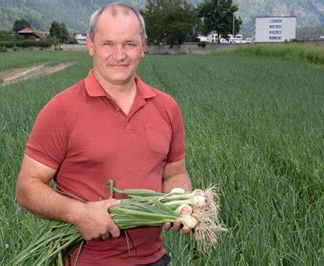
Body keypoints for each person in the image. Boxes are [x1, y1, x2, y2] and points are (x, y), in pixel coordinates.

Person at [15, 2, 193, 265]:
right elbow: (26, 187)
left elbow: (175, 172)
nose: (119, 54)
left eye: (129, 44)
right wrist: (79, 213)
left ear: (143, 46)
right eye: (108, 44)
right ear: (90, 45)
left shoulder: (167, 107)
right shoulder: (62, 109)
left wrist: (179, 202)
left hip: (155, 260)